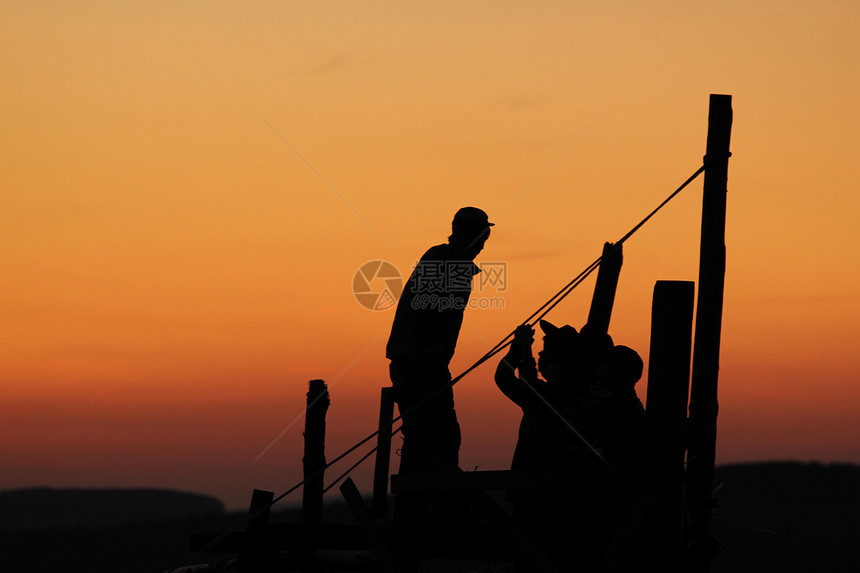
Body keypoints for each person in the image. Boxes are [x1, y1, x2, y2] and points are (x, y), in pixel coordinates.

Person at [386, 206, 493, 543]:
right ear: (463, 235)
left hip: (421, 362)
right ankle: (438, 512)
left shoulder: (447, 260)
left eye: (484, 239)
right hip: (420, 364)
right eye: (479, 237)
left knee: (428, 437)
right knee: (438, 436)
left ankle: (421, 512)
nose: (482, 245)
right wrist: (431, 356)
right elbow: (432, 310)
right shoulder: (448, 262)